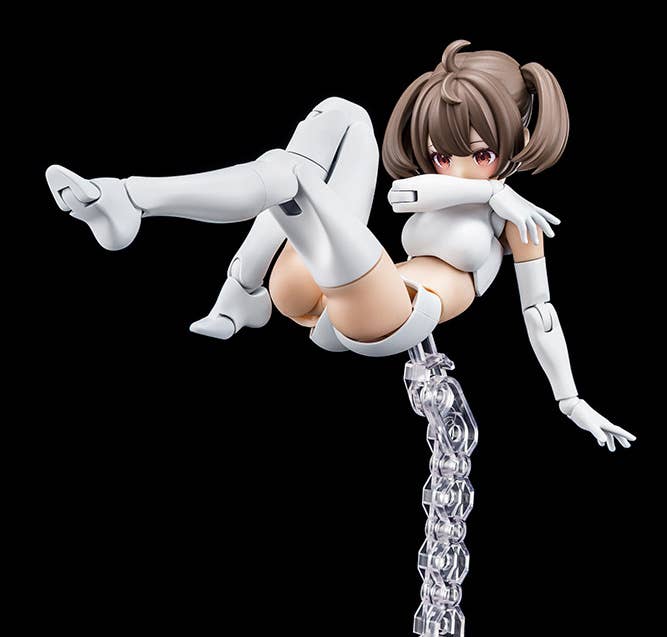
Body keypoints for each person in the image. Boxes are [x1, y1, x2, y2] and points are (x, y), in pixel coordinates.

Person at [45, 39, 634, 451]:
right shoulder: (460, 193)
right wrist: (489, 191)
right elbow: (403, 194)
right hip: (323, 290)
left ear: (517, 140)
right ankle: (239, 290)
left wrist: (570, 401)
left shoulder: (517, 222)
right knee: (339, 115)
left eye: (480, 155)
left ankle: (132, 198)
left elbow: (541, 312)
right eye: (440, 154)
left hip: (393, 310)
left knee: (287, 172)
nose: (457, 166)